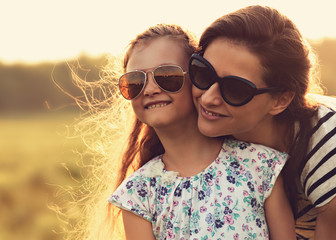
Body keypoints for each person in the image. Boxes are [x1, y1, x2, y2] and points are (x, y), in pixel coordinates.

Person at [107, 23, 296, 240]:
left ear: (198, 78)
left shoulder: (261, 165)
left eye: (168, 76)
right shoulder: (137, 194)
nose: (149, 90)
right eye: (135, 81)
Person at [188, 5, 336, 239]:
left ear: (281, 100)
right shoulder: (214, 131)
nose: (208, 98)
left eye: (235, 89)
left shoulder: (325, 145)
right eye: (203, 73)